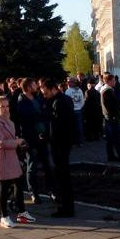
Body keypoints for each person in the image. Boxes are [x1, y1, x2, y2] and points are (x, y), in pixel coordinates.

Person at [0, 95, 34, 228]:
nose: (5, 109)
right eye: (2, 106)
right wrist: (17, 142)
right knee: (4, 187)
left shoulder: (7, 120)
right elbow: (1, 142)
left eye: (7, 106)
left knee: (19, 184)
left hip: (12, 156)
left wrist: (17, 141)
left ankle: (22, 212)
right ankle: (4, 217)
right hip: (2, 158)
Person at [41, 79, 75, 218]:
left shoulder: (58, 102)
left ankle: (66, 207)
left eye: (45, 92)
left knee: (62, 176)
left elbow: (56, 126)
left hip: (60, 144)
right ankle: (67, 206)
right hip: (65, 142)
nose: (44, 95)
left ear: (53, 89)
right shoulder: (65, 99)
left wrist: (47, 137)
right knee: (64, 175)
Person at [17, 78, 51, 204]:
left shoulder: (38, 98)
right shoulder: (22, 101)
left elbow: (44, 113)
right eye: (34, 84)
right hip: (31, 139)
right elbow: (27, 119)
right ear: (28, 87)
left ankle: (51, 190)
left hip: (43, 137)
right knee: (32, 166)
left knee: (47, 164)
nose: (36, 86)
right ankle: (34, 193)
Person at [100, 73, 120, 163]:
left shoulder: (108, 90)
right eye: (113, 80)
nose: (115, 82)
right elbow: (110, 106)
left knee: (110, 139)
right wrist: (118, 109)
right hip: (112, 118)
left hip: (110, 117)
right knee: (116, 138)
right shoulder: (107, 91)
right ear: (108, 81)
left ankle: (111, 156)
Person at [64, 79, 85, 145]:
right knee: (79, 126)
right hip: (78, 110)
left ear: (72, 83)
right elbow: (82, 101)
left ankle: (74, 141)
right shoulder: (79, 90)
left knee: (72, 126)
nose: (68, 83)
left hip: (72, 111)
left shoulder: (68, 91)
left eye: (69, 82)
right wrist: (79, 107)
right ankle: (80, 141)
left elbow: (66, 102)